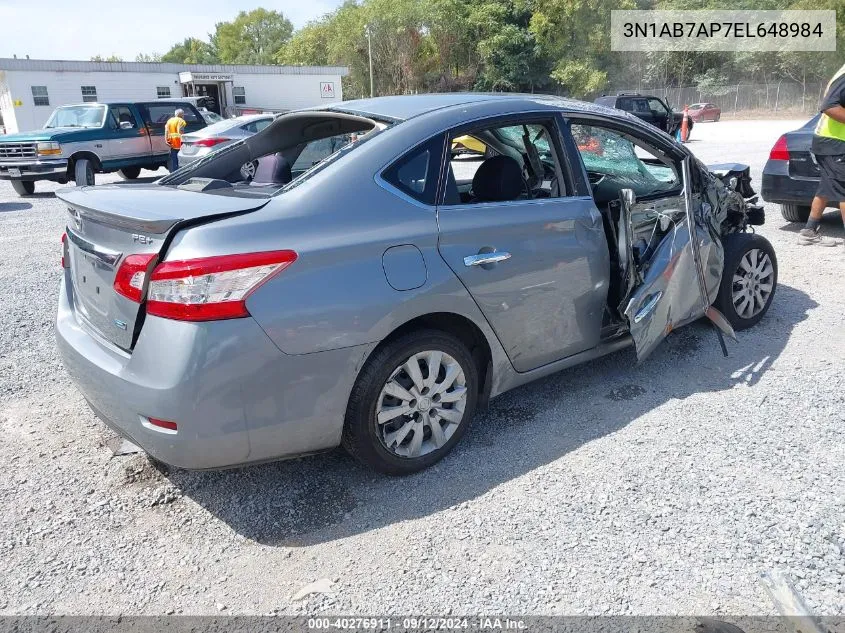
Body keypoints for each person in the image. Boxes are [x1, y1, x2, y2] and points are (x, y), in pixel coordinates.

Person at [798, 63, 845, 247]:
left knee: (826, 187)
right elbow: (829, 106)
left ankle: (809, 231)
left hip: (828, 141)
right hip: (834, 142)